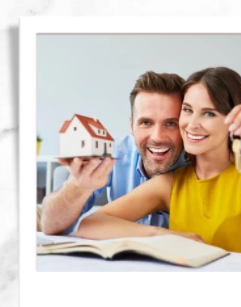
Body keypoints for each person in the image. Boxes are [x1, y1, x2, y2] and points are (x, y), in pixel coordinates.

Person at [76, 67, 241, 257]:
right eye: (187, 110)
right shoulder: (171, 184)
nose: (192, 124)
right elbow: (90, 224)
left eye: (208, 113)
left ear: (232, 121)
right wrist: (162, 235)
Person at [39, 71, 188, 235]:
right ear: (131, 125)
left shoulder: (199, 163)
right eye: (146, 122)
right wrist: (78, 186)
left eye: (171, 123)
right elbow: (50, 225)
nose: (157, 137)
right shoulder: (112, 152)